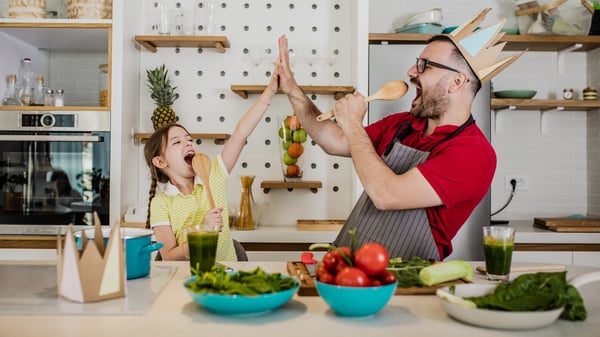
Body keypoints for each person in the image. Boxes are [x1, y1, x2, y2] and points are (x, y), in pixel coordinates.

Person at [274, 9, 523, 260]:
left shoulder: (473, 153)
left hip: (405, 280)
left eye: (424, 66)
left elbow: (386, 194)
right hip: (348, 266)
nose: (411, 72)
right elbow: (334, 141)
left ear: (457, 82)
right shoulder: (404, 124)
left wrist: (353, 125)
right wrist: (292, 88)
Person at [144, 62, 280, 262]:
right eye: (177, 142)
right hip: (185, 280)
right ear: (160, 161)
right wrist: (203, 232)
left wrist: (269, 93)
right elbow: (169, 257)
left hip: (227, 276)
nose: (188, 144)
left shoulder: (214, 174)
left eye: (189, 139)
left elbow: (241, 134)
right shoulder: (161, 204)